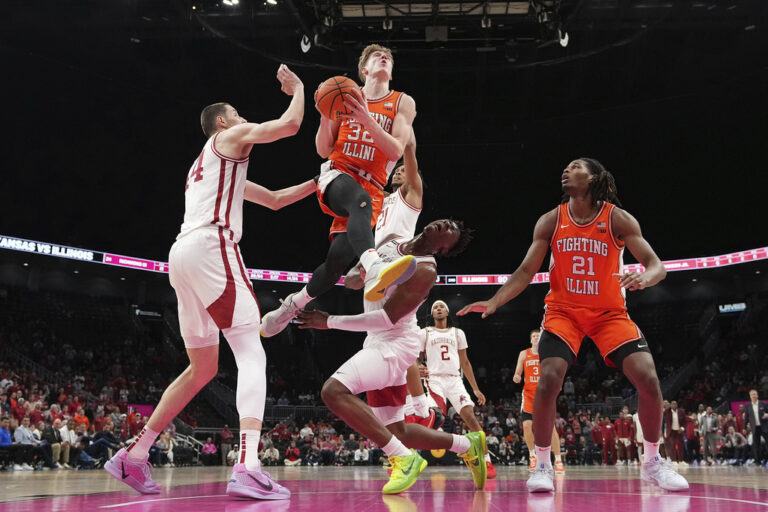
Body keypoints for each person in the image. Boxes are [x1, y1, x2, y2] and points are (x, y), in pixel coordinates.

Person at [104, 64, 312, 501]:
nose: (243, 119)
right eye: (238, 114)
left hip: (180, 256)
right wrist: (298, 89)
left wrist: (318, 181)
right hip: (211, 246)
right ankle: (249, 465)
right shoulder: (226, 138)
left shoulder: (208, 167)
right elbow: (290, 125)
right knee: (251, 350)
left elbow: (273, 200)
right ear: (223, 121)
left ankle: (134, 456)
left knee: (203, 368)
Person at [459, 158, 688, 492]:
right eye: (565, 167)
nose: (566, 171)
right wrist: (495, 300)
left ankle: (652, 461)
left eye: (576, 167)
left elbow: (656, 265)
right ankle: (541, 465)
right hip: (564, 312)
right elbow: (525, 271)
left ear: (593, 177)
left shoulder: (616, 218)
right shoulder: (552, 220)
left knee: (649, 379)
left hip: (609, 313)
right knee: (549, 379)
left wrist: (645, 277)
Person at [297, 219, 484, 494]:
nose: (445, 224)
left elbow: (386, 318)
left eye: (449, 231)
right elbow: (353, 281)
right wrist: (360, 274)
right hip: (376, 341)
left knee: (333, 391)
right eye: (447, 221)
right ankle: (467, 444)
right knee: (398, 431)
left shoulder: (426, 269)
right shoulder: (393, 241)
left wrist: (330, 321)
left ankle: (405, 459)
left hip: (396, 344)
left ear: (442, 250)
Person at [261, 44, 419, 338]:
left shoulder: (402, 102)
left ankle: (292, 305)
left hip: (372, 187)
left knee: (335, 265)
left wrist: (364, 117)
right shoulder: (343, 93)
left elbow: (395, 149)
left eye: (389, 57)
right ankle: (373, 266)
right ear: (365, 69)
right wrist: (324, 113)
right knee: (357, 200)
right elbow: (323, 149)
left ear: (391, 71)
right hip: (338, 174)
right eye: (376, 56)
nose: (383, 58)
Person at [421, 300, 496, 478]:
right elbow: (416, 358)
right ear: (432, 314)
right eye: (435, 308)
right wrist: (418, 367)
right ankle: (409, 456)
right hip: (434, 379)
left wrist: (476, 389)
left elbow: (465, 362)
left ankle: (487, 460)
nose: (438, 309)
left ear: (447, 313)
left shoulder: (458, 333)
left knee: (471, 418)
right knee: (435, 418)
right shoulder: (425, 333)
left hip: (455, 380)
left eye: (441, 307)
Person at [513, 329, 564, 474]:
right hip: (529, 395)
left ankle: (558, 460)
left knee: (550, 428)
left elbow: (555, 371)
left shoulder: (547, 353)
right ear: (531, 340)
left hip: (544, 394)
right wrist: (516, 376)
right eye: (534, 336)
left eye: (538, 336)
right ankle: (532, 456)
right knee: (527, 425)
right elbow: (517, 371)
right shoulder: (524, 353)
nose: (536, 338)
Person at [744, 389, 768, 465]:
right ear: (750, 396)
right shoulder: (748, 405)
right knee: (756, 445)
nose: (754, 396)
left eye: (755, 394)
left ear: (757, 395)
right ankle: (757, 461)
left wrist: (767, 415)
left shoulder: (763, 403)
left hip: (764, 427)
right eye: (752, 394)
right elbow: (746, 417)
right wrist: (744, 427)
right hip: (755, 428)